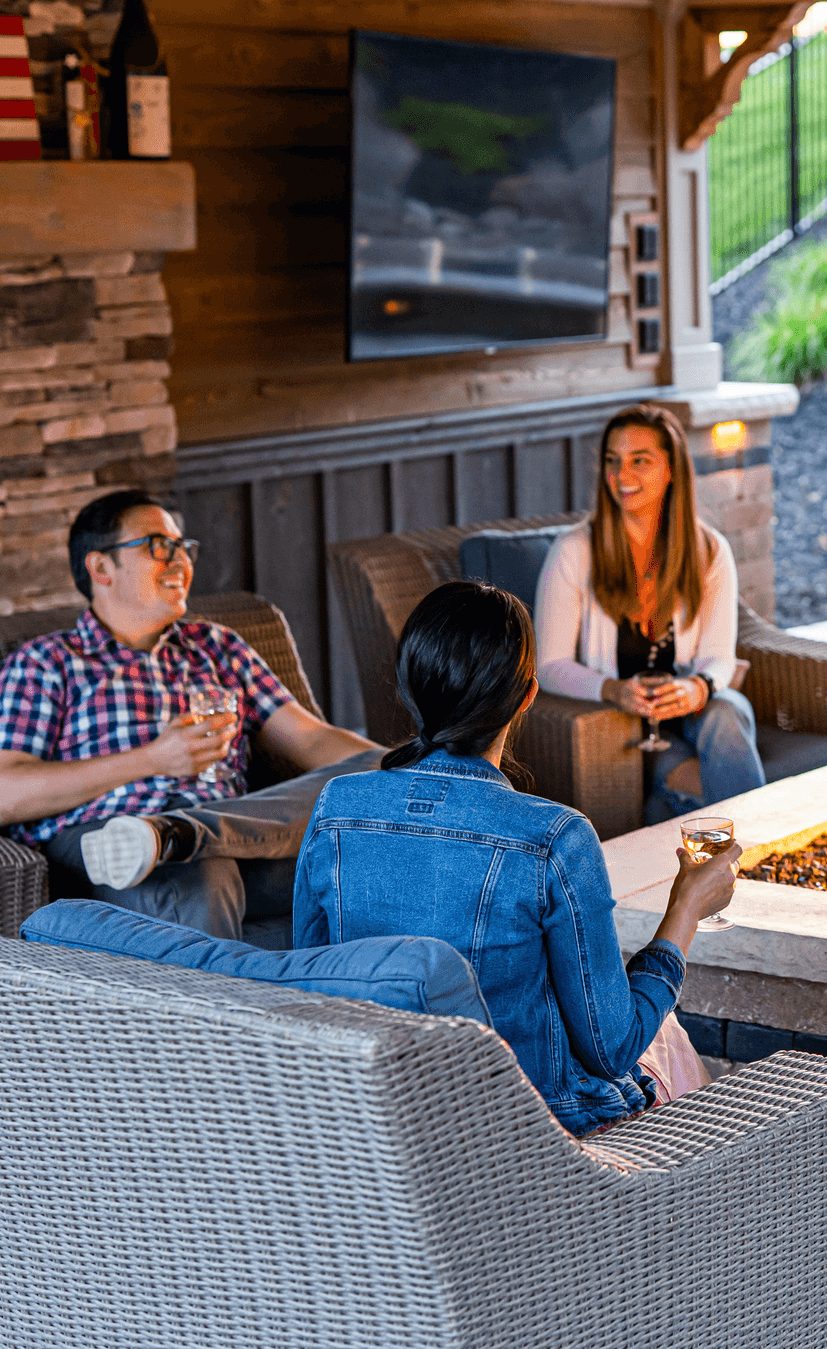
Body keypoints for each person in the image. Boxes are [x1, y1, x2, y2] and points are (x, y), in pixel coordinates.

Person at [293, 581, 738, 1135]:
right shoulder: (556, 837)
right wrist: (687, 907)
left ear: (410, 689)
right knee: (664, 1031)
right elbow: (611, 1048)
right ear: (527, 696)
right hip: (533, 1136)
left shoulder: (338, 807)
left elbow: (311, 985)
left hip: (389, 1118)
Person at [0, 489, 383, 942]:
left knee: (374, 772)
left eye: (182, 548)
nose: (180, 562)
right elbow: (3, 795)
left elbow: (309, 740)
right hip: (115, 842)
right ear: (101, 567)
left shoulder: (217, 646)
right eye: (157, 546)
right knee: (200, 874)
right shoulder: (46, 663)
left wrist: (417, 766)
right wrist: (152, 760)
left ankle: (182, 833)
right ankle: (166, 839)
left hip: (237, 830)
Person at [536, 402, 766, 824]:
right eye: (612, 461)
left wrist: (698, 688)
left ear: (672, 468)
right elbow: (549, 665)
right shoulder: (574, 552)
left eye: (639, 461)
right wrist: (613, 690)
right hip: (625, 725)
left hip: (695, 712)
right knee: (702, 790)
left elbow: (720, 655)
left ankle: (688, 829)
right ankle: (761, 842)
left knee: (727, 708)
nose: (621, 476)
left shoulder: (709, 550)